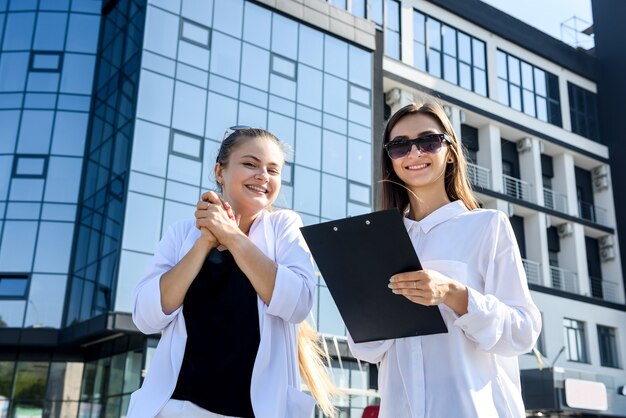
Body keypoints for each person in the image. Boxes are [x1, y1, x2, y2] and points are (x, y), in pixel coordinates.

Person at [348, 102, 542, 417]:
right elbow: (365, 349)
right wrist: (365, 310)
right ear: (390, 159)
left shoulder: (487, 225)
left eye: (428, 141)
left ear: (449, 151)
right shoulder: (379, 241)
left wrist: (455, 295)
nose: (414, 153)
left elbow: (523, 332)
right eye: (400, 146)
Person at [128, 127, 336, 418]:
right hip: (174, 409)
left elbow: (298, 303)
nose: (263, 175)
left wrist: (232, 236)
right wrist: (204, 244)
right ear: (219, 171)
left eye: (273, 170)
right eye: (250, 164)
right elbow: (145, 317)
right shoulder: (181, 234)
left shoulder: (284, 227)